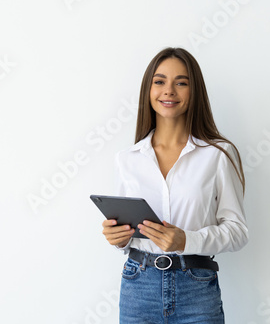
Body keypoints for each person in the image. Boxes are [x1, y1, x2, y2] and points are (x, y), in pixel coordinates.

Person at [101, 47, 249, 323]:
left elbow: (238, 232)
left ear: (195, 92)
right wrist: (117, 238)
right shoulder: (127, 160)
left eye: (181, 82)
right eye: (159, 82)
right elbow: (125, 234)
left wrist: (187, 240)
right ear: (148, 90)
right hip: (138, 286)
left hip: (196, 288)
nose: (169, 90)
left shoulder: (218, 155)